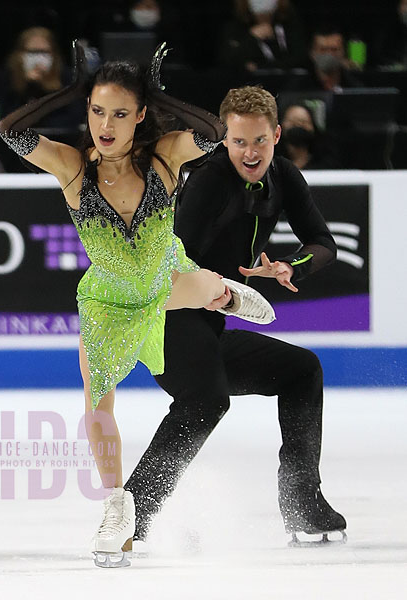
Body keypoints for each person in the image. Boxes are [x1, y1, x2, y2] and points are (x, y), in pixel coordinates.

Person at [0, 41, 270, 568]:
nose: (106, 123)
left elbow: (215, 134)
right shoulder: (72, 166)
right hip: (109, 300)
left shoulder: (165, 155)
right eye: (97, 110)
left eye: (121, 113)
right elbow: (11, 131)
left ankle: (228, 295)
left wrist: (162, 95)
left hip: (165, 277)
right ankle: (117, 505)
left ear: (140, 115)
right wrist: (70, 90)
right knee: (96, 401)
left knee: (205, 287)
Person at [125, 85, 347, 548]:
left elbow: (323, 243)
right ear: (223, 138)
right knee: (206, 399)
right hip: (169, 316)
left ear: (277, 135)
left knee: (302, 370)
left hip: (208, 321)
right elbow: (175, 256)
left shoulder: (284, 176)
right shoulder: (208, 179)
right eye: (239, 141)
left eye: (260, 141)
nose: (250, 153)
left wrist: (290, 266)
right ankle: (133, 511)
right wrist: (215, 290)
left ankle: (302, 502)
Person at [0, 27, 83, 129]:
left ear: (53, 54)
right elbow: (3, 116)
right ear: (20, 54)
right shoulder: (8, 76)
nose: (39, 58)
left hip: (57, 138)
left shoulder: (66, 76)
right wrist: (29, 86)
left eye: (44, 52)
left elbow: (75, 116)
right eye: (33, 52)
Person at [218, 0, 307, 72]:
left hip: (289, 87)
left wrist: (260, 66)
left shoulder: (289, 25)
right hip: (251, 88)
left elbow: (300, 58)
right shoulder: (235, 28)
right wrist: (252, 38)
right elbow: (228, 61)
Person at [291, 28, 362, 92]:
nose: (328, 55)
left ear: (343, 53)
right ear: (312, 53)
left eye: (334, 49)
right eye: (323, 50)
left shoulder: (355, 87)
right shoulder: (297, 88)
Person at [278, 102, 341, 169]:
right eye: (292, 122)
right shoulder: (273, 157)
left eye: (303, 122)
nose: (298, 126)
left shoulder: (326, 158)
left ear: (313, 127)